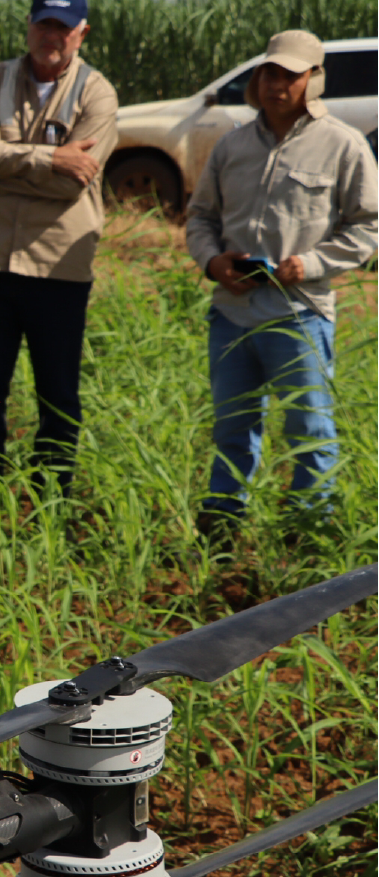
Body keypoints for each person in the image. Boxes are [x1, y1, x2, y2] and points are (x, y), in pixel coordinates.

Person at [185, 30, 379, 544]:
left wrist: (309, 264)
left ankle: (310, 532)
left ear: (314, 80)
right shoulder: (232, 145)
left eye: (291, 75)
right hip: (232, 311)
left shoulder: (342, 144)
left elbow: (369, 225)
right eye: (271, 73)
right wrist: (212, 262)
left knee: (309, 431)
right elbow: (200, 217)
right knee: (231, 428)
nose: (277, 85)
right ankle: (222, 528)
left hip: (300, 312)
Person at [0, 0, 117, 504]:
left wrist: (0, 173)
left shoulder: (98, 92)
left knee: (58, 394)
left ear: (81, 34)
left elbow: (77, 182)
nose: (52, 36)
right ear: (29, 26)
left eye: (63, 28)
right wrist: (49, 157)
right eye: (44, 24)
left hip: (59, 266)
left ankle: (52, 504)